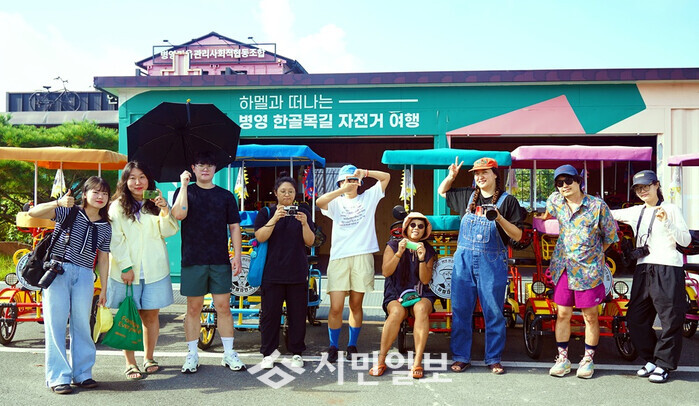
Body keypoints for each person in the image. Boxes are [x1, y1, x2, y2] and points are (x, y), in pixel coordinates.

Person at [438, 157, 524, 375]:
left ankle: (494, 358)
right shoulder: (467, 195)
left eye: (485, 172)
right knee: (461, 310)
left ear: (495, 174)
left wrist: (499, 218)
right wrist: (451, 176)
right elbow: (442, 192)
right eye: (477, 173)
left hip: (492, 263)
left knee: (494, 311)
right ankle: (461, 357)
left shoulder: (508, 201)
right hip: (463, 262)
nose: (480, 176)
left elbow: (518, 235)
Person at [28, 177, 112, 394]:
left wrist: (104, 288)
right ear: (84, 194)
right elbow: (33, 213)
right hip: (58, 270)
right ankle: (58, 377)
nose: (100, 197)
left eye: (104, 193)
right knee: (55, 325)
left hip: (85, 275)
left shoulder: (105, 226)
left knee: (82, 324)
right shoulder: (69, 212)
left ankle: (82, 374)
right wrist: (58, 203)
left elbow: (103, 258)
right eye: (95, 192)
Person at [537, 164, 618, 379]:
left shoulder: (597, 206)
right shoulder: (555, 201)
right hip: (563, 267)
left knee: (590, 316)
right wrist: (542, 217)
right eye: (559, 182)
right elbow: (547, 211)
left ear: (579, 181)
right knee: (562, 313)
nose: (564, 186)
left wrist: (595, 255)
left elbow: (610, 236)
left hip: (588, 271)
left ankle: (588, 359)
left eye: (568, 180)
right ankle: (562, 358)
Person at [611, 170, 691, 383]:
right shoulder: (636, 211)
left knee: (670, 319)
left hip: (668, 267)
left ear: (656, 185)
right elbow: (609, 214)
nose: (642, 191)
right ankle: (651, 359)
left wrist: (667, 223)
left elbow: (685, 240)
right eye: (638, 188)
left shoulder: (670, 209)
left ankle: (664, 364)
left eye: (646, 186)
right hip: (643, 268)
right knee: (635, 318)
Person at [171, 151, 244, 373]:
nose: (206, 168)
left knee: (223, 307)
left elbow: (234, 227)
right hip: (193, 259)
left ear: (215, 169)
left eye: (210, 165)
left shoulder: (225, 196)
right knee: (193, 308)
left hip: (219, 259)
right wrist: (184, 185)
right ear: (193, 168)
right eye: (201, 164)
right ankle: (192, 354)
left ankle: (229, 353)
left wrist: (237, 255)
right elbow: (179, 215)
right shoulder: (184, 191)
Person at [106, 161, 179, 380]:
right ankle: (130, 362)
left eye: (142, 177)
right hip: (127, 271)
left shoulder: (154, 202)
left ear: (149, 180)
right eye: (132, 178)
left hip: (154, 268)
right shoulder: (117, 206)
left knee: (151, 315)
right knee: (129, 315)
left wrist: (164, 209)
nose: (138, 182)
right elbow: (115, 239)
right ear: (125, 181)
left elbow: (168, 232)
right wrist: (126, 266)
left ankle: (149, 357)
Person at [317, 164, 390, 362]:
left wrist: (365, 172)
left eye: (353, 180)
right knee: (335, 307)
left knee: (356, 305)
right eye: (345, 180)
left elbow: (386, 177)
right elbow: (319, 202)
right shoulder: (336, 202)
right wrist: (342, 190)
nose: (349, 183)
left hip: (362, 255)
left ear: (359, 183)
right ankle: (333, 346)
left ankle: (352, 345)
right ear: (340, 182)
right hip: (339, 257)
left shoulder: (368, 197)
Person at [254, 176, 316, 369]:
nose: (287, 195)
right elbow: (260, 237)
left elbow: (310, 241)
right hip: (272, 273)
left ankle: (297, 352)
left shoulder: (303, 212)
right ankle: (268, 353)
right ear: (276, 193)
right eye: (283, 191)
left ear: (295, 194)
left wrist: (305, 223)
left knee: (297, 315)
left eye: (290, 191)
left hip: (297, 273)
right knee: (270, 315)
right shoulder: (266, 213)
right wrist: (275, 218)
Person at [368, 212, 436, 379]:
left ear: (425, 230)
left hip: (421, 292)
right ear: (406, 227)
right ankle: (381, 360)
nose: (416, 228)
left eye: (421, 226)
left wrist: (421, 259)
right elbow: (386, 272)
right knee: (397, 312)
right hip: (396, 292)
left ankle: (417, 361)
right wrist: (399, 253)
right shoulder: (393, 245)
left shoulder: (428, 250)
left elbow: (425, 280)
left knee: (421, 309)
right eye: (413, 225)